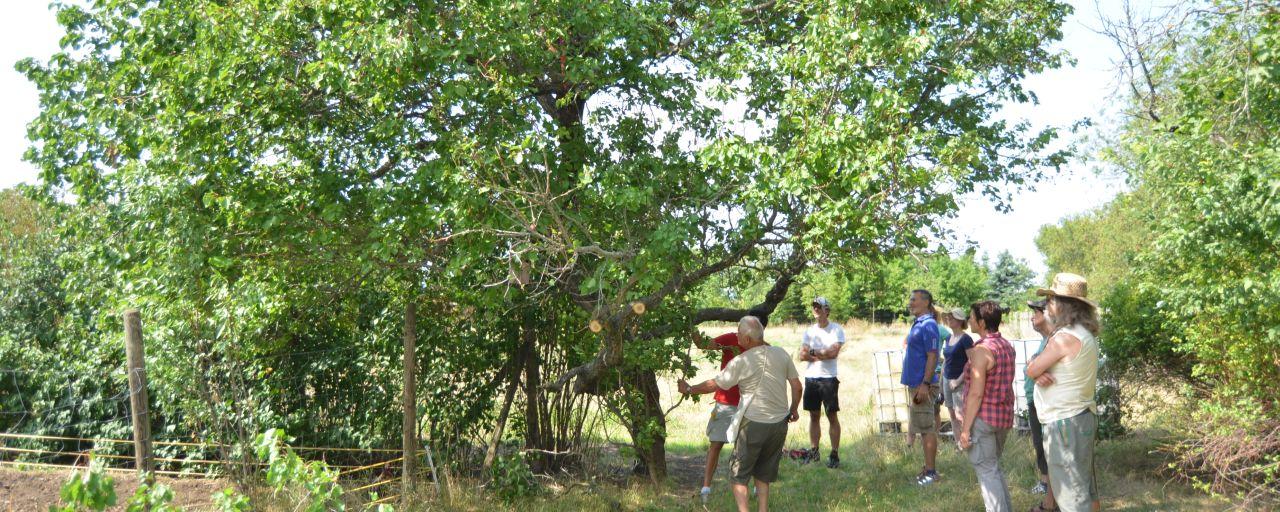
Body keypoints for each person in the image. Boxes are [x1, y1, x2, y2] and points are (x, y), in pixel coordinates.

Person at [678, 316, 802, 512]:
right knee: (763, 472)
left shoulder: (741, 361)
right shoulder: (780, 353)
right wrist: (793, 410)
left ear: (747, 339)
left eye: (739, 333)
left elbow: (715, 384)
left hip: (753, 422)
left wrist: (689, 389)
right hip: (779, 423)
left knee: (738, 475)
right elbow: (797, 387)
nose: (736, 335)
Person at [1026, 273, 1103, 512]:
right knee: (1085, 489)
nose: (1047, 305)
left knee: (1071, 496)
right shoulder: (1082, 333)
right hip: (1078, 418)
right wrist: (1036, 370)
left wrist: (1035, 370)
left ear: (1063, 304)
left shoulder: (1064, 337)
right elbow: (1036, 368)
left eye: (1051, 300)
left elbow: (1033, 367)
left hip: (1065, 423)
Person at [693, 308, 771, 502]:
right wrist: (689, 324)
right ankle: (706, 487)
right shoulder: (730, 339)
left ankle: (754, 487)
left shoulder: (766, 350)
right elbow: (704, 344)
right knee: (716, 444)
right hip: (726, 402)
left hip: (749, 405)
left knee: (751, 448)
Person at [958, 300, 1016, 512]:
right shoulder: (1006, 346)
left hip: (983, 418)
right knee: (993, 469)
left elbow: (976, 392)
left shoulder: (982, 350)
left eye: (972, 317)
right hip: (1003, 417)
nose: (969, 320)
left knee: (986, 471)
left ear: (981, 322)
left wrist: (965, 430)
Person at [798, 296, 845, 468]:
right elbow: (801, 355)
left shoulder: (836, 330)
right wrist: (820, 353)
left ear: (827, 310)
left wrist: (812, 352)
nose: (816, 309)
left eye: (819, 306)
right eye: (814, 306)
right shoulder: (809, 331)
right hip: (811, 378)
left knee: (831, 415)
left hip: (828, 379)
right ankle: (814, 451)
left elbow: (833, 353)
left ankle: (834, 453)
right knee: (813, 415)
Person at [903, 289, 942, 485]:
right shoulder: (919, 324)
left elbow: (933, 355)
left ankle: (931, 473)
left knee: (927, 428)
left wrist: (925, 384)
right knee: (922, 427)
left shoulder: (928, 325)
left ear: (926, 303)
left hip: (923, 385)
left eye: (913, 299)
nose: (910, 303)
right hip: (917, 384)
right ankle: (927, 468)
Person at [1025, 299, 1058, 512]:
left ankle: (1051, 501)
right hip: (1036, 401)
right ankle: (1046, 485)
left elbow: (1040, 368)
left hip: (1047, 404)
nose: (1032, 317)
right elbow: (1034, 365)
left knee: (1049, 450)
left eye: (1036, 312)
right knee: (1040, 446)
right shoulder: (1046, 339)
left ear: (1048, 314)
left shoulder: (1056, 339)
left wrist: (1033, 366)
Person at [941, 308, 974, 433]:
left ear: (960, 321)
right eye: (948, 317)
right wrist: (941, 382)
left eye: (952, 317)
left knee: (961, 416)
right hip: (946, 380)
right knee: (952, 416)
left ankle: (967, 442)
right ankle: (959, 446)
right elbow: (946, 360)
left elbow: (971, 362)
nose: (948, 319)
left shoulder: (966, 339)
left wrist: (958, 381)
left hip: (960, 382)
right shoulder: (948, 338)